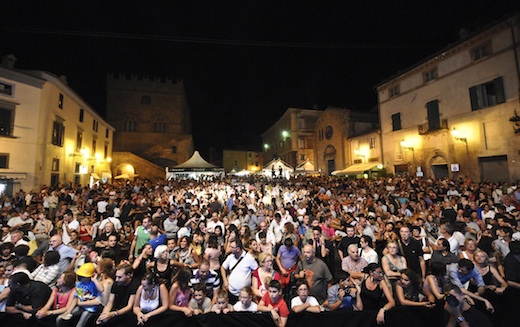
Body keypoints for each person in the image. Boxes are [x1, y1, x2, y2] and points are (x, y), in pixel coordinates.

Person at [56, 263, 104, 327]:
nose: (81, 278)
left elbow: (101, 289)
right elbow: (76, 298)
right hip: (81, 307)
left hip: (90, 309)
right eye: (80, 276)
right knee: (60, 318)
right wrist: (69, 311)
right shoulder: (79, 284)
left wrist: (94, 279)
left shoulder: (93, 283)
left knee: (80, 324)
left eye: (84, 277)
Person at [221, 239, 258, 304]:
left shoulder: (249, 258)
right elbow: (223, 267)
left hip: (244, 295)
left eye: (232, 247)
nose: (229, 248)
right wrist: (225, 281)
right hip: (231, 292)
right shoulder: (230, 257)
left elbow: (257, 271)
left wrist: (254, 286)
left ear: (238, 249)